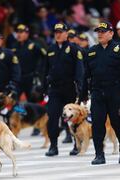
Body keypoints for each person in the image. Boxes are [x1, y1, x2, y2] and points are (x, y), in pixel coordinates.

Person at [83, 21, 120, 164]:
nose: (100, 34)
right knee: (97, 124)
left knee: (117, 123)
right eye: (98, 31)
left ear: (111, 33)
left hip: (115, 92)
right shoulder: (92, 51)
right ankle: (99, 154)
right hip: (97, 92)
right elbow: (86, 75)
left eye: (103, 31)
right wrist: (83, 94)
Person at [44, 23, 84, 156]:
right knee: (53, 117)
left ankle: (76, 144)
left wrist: (80, 87)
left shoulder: (73, 49)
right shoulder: (50, 49)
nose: (58, 34)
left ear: (67, 33)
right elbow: (45, 70)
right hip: (55, 89)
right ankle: (53, 146)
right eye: (56, 32)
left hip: (69, 88)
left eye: (61, 32)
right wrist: (44, 87)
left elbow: (79, 70)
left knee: (74, 118)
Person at [12, 24, 47, 136]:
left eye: (22, 32)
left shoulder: (34, 45)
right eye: (17, 32)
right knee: (15, 102)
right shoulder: (14, 46)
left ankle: (37, 124)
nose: (19, 34)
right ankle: (18, 122)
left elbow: (45, 57)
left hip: (31, 77)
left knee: (32, 103)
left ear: (27, 33)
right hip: (18, 78)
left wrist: (39, 72)